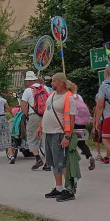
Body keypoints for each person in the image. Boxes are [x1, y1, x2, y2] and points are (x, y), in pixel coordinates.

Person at [38, 73, 78, 202]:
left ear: (61, 82)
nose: (52, 83)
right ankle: (59, 187)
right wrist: (41, 126)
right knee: (54, 162)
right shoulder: (52, 94)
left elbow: (71, 119)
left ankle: (69, 189)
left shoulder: (69, 98)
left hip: (59, 133)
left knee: (62, 162)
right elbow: (47, 111)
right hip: (48, 132)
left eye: (54, 81)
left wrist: (67, 136)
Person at [21, 71, 49, 170]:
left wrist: (26, 115)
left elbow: (23, 106)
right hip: (46, 116)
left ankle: (38, 158)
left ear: (28, 81)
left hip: (34, 116)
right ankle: (48, 163)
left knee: (31, 137)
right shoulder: (45, 88)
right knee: (45, 138)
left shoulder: (28, 91)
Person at [66, 81, 96, 170]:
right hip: (82, 123)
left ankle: (72, 161)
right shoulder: (78, 97)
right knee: (81, 142)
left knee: (69, 142)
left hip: (73, 123)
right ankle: (89, 156)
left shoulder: (67, 97)